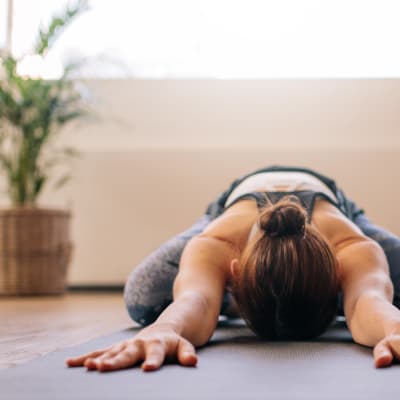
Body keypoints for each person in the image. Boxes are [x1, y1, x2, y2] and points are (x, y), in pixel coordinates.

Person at [66, 165, 400, 372]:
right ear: (234, 270)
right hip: (234, 202)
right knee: (144, 296)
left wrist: (392, 325)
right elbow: (197, 300)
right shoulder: (217, 242)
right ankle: (261, 292)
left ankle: (272, 293)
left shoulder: (352, 247)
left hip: (336, 206)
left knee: (376, 281)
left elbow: (364, 303)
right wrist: (165, 327)